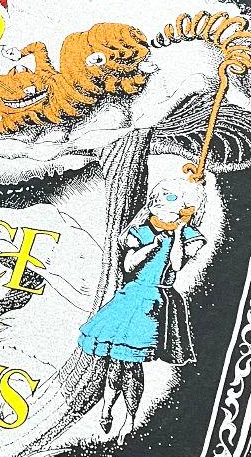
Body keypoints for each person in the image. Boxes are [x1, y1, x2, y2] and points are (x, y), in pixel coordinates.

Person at [78, 175, 207, 439]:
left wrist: (178, 232)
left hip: (156, 301)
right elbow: (128, 265)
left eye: (175, 199)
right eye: (164, 197)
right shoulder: (142, 231)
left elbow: (177, 264)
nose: (164, 203)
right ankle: (106, 409)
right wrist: (150, 247)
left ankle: (129, 418)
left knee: (132, 364)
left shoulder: (189, 236)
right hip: (131, 295)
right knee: (115, 362)